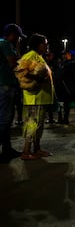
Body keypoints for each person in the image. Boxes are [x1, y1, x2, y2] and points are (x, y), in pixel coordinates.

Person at [15, 33, 54, 160]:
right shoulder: (31, 55)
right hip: (34, 98)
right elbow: (21, 73)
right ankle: (26, 151)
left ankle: (37, 149)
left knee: (38, 125)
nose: (47, 45)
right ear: (38, 44)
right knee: (32, 124)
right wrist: (38, 79)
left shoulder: (38, 56)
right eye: (45, 43)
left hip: (40, 97)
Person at [0, 23, 25, 161]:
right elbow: (14, 63)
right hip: (5, 84)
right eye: (19, 37)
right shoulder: (6, 44)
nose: (20, 40)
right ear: (13, 35)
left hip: (3, 84)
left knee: (6, 118)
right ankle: (6, 150)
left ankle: (7, 148)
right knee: (5, 119)